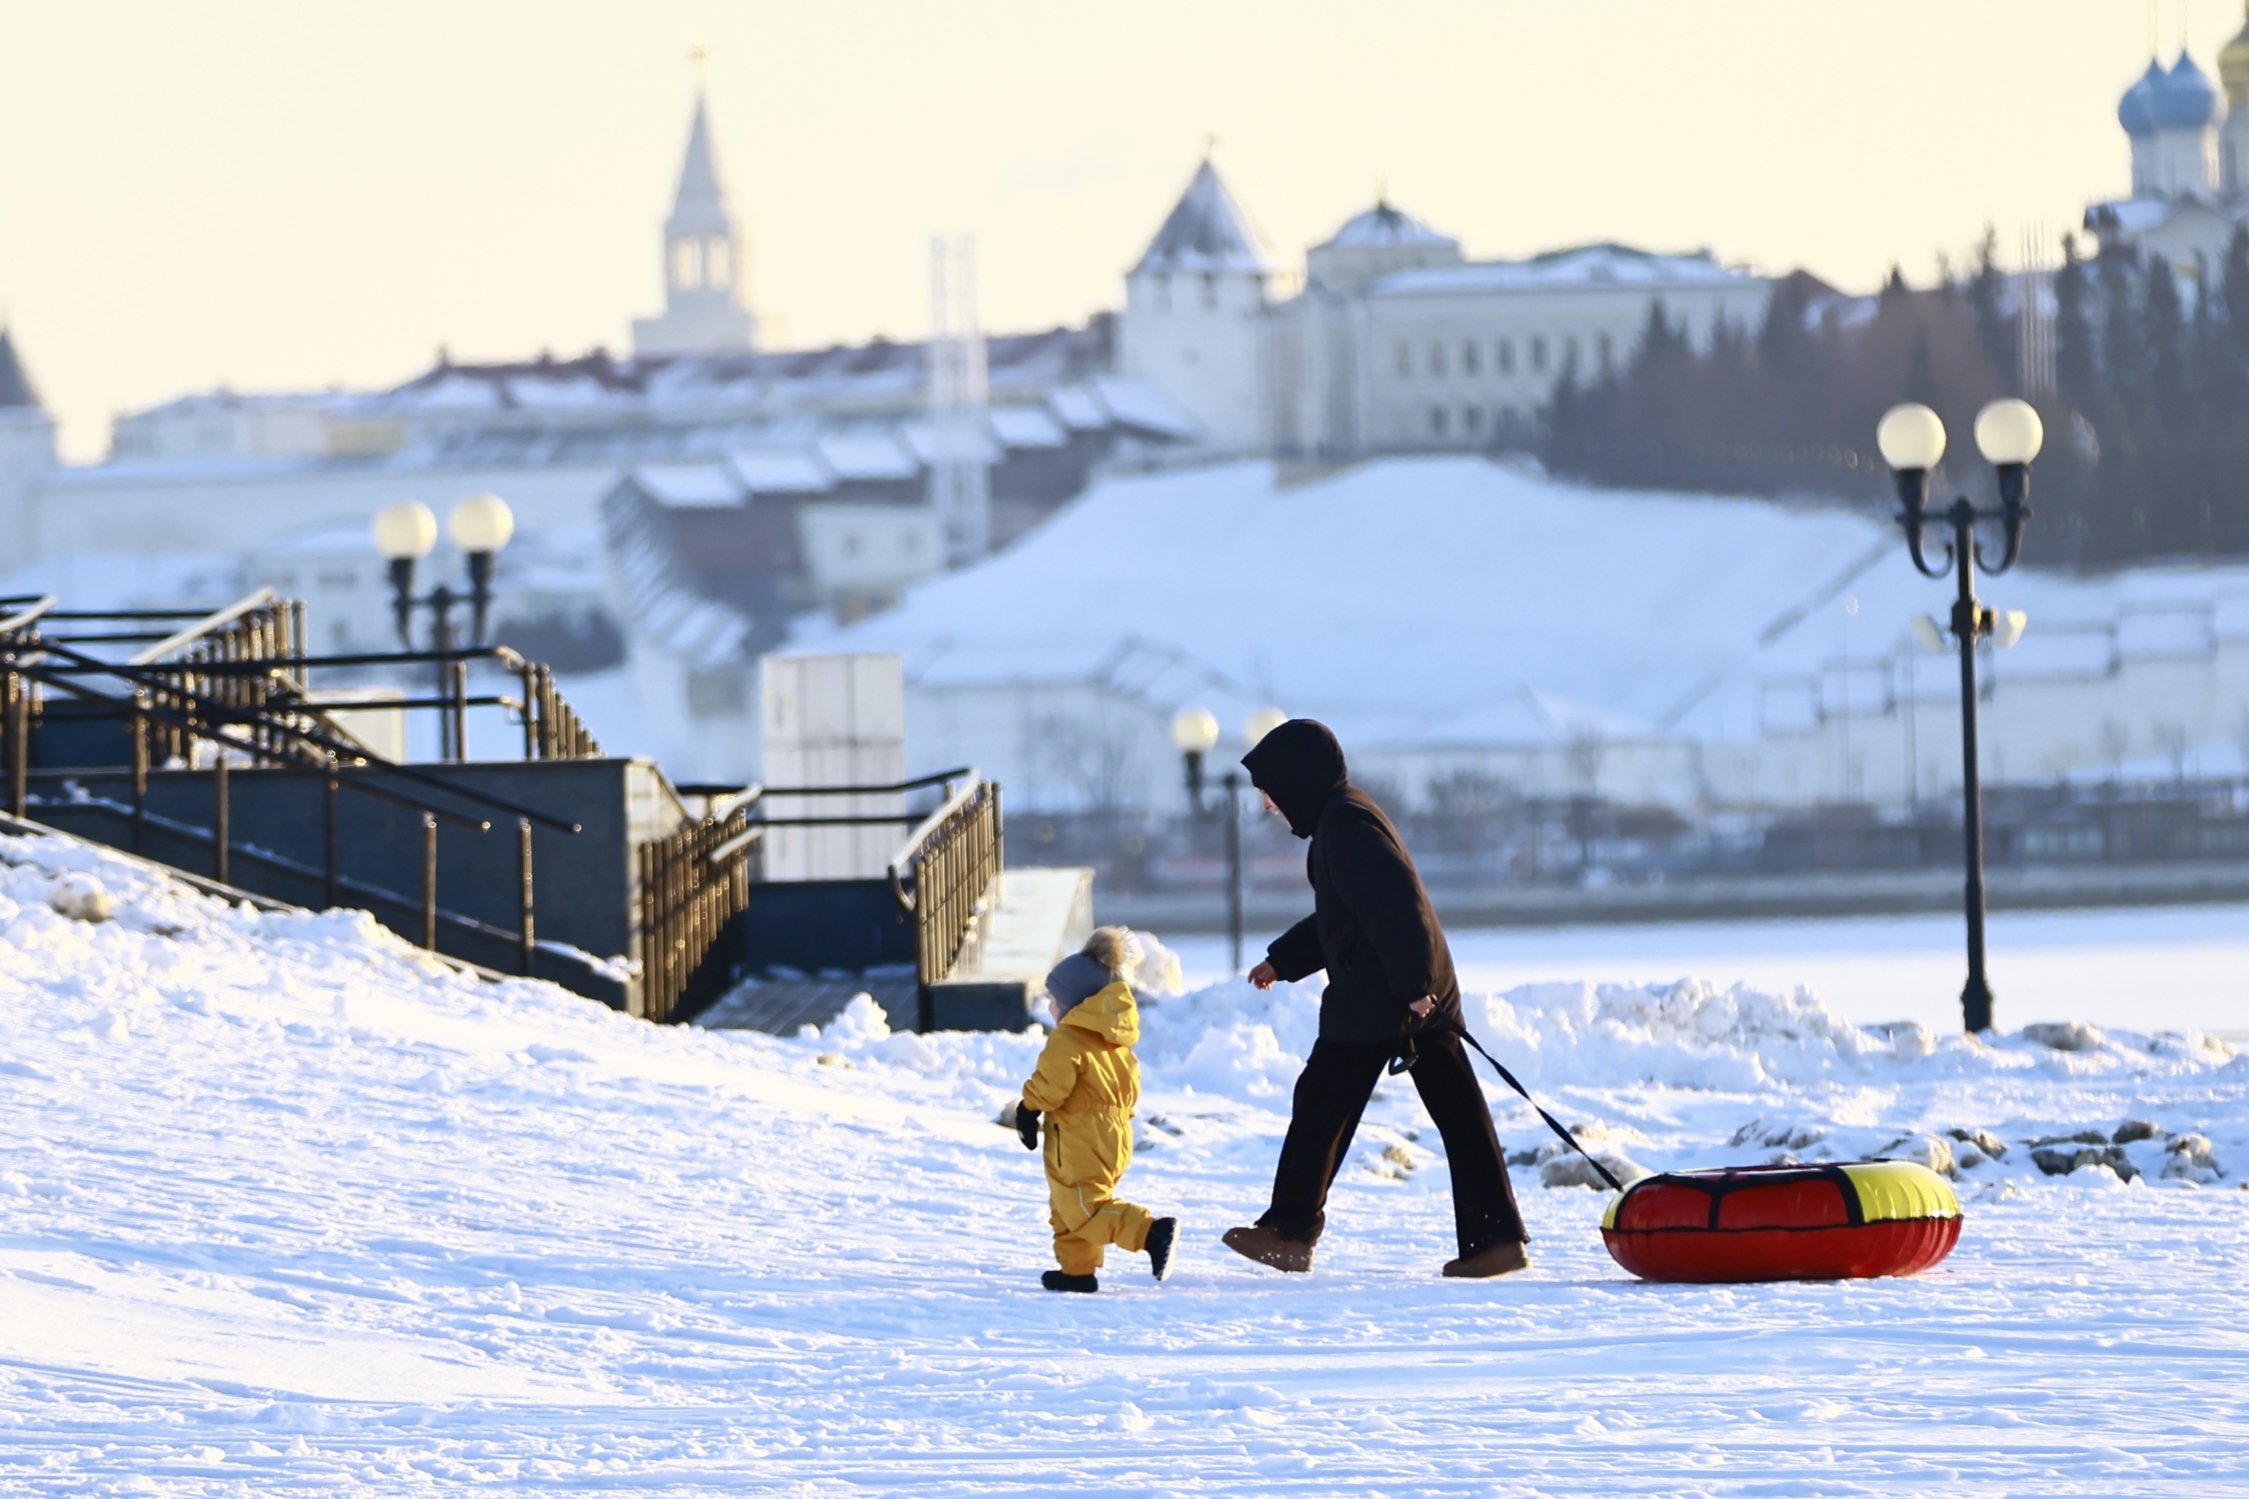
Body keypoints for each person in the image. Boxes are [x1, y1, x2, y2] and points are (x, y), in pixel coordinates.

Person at [1220, 719, 1530, 1279]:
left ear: (1295, 781)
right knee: (1452, 1115)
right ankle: (1495, 1239)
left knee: (1324, 1105)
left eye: (1268, 791)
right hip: (1395, 992)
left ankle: (1289, 1234)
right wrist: (1284, 961)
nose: (1267, 806)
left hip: (1391, 998)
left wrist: (1416, 990)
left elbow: (1396, 906)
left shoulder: (1346, 823)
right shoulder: (1341, 820)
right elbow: (1345, 916)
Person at [1015, 927, 1179, 1293]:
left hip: (1078, 1140)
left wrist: (1028, 1109)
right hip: (1113, 1138)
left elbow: (1051, 1083)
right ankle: (1077, 1271)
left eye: (1054, 1000)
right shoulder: (1116, 1044)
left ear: (1076, 1003)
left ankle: (1151, 1232)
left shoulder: (1068, 1038)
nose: (1051, 1008)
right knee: (1068, 1205)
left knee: (1084, 1210)